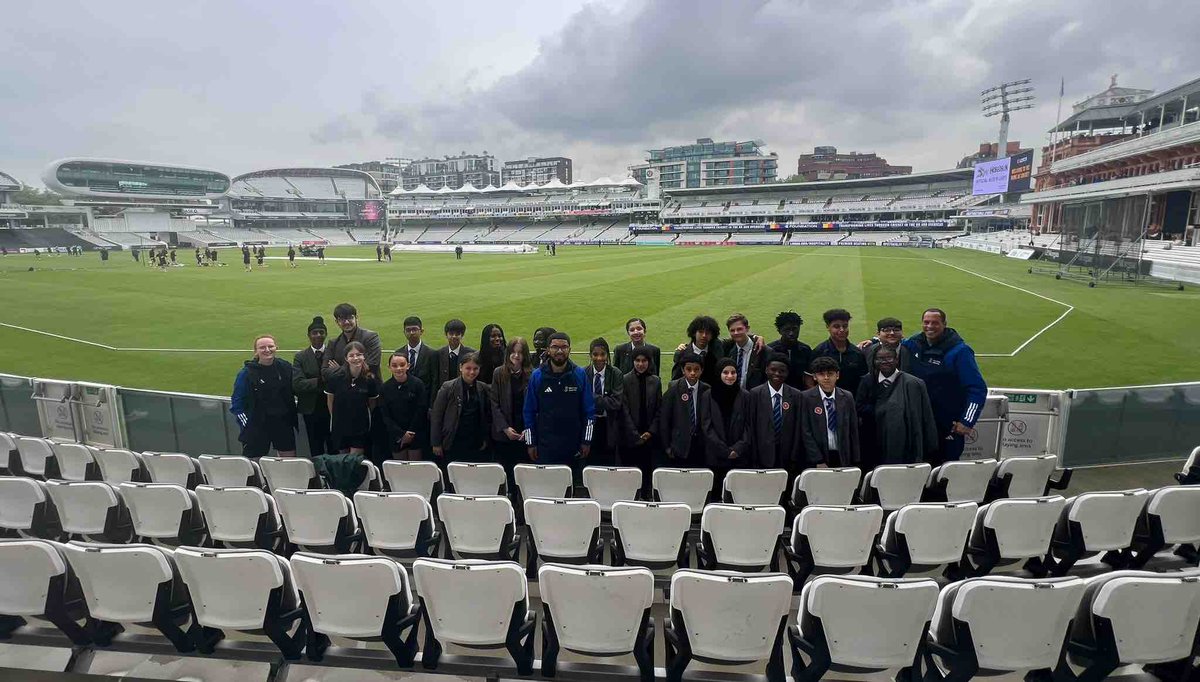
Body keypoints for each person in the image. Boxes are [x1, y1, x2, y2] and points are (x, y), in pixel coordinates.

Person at [901, 308, 987, 465]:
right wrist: (873, 341)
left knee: (944, 469)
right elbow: (896, 341)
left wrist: (967, 421)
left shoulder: (960, 351)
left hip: (947, 424)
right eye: (926, 322)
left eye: (935, 323)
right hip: (920, 423)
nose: (930, 326)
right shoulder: (915, 343)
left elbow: (977, 388)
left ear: (944, 324)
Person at [523, 332, 594, 476]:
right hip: (545, 445)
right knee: (547, 485)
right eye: (555, 347)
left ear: (570, 349)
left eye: (564, 347)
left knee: (571, 485)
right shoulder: (537, 376)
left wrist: (586, 441)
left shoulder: (579, 374)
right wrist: (531, 443)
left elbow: (589, 411)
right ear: (548, 350)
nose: (560, 351)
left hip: (573, 446)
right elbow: (529, 411)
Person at [855, 346, 938, 468]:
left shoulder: (913, 383)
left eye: (889, 358)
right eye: (880, 358)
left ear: (896, 359)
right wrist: (883, 411)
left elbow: (923, 417)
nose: (884, 362)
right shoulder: (867, 380)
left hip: (903, 441)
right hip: (874, 438)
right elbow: (859, 406)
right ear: (874, 361)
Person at [230, 335, 299, 458]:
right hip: (257, 425)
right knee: (253, 463)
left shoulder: (285, 367)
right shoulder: (246, 373)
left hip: (282, 422)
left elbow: (297, 387)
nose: (267, 350)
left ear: (276, 348)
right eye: (262, 347)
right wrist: (247, 424)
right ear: (256, 351)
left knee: (288, 459)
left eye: (270, 346)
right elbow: (237, 401)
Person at [744, 354, 806, 479]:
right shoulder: (755, 393)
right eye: (773, 370)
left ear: (787, 373)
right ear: (766, 370)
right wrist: (754, 454)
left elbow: (798, 427)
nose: (777, 373)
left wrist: (794, 455)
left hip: (786, 455)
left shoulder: (796, 395)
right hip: (762, 455)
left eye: (782, 371)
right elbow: (751, 425)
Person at [431, 352, 491, 464]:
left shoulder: (483, 388)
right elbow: (436, 416)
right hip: (453, 441)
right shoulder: (448, 387)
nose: (472, 372)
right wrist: (436, 443)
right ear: (460, 368)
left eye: (475, 369)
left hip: (475, 442)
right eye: (468, 368)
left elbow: (485, 416)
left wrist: (484, 438)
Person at [800, 356, 860, 467]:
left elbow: (853, 429)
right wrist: (817, 460)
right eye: (821, 374)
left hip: (842, 455)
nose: (826, 378)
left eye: (830, 374)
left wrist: (855, 458)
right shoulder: (806, 398)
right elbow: (805, 431)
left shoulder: (847, 397)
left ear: (837, 375)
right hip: (818, 456)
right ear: (814, 377)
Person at [704, 358, 751, 498]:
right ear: (719, 373)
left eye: (733, 372)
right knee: (716, 495)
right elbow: (706, 426)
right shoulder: (708, 395)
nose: (730, 376)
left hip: (739, 457)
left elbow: (749, 426)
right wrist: (724, 450)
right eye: (725, 372)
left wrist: (737, 448)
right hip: (715, 457)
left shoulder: (745, 396)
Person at [490, 337, 533, 489]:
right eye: (513, 352)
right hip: (504, 433)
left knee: (523, 474)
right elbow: (494, 403)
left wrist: (528, 430)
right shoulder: (499, 373)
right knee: (505, 473)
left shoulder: (532, 374)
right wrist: (505, 428)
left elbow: (536, 405)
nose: (516, 356)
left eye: (520, 352)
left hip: (524, 432)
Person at [326, 341, 380, 455]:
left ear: (364, 356)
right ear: (346, 358)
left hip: (360, 427)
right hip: (340, 426)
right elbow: (330, 400)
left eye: (359, 354)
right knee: (343, 459)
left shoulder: (369, 379)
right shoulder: (335, 377)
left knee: (355, 460)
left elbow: (372, 404)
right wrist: (335, 418)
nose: (355, 358)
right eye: (351, 355)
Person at [620, 346, 661, 495]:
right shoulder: (625, 379)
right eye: (637, 360)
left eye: (644, 361)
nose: (640, 364)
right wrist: (634, 434)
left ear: (649, 362)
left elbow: (659, 409)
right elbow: (624, 409)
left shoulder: (655, 381)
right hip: (630, 437)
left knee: (647, 472)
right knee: (631, 473)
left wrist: (650, 432)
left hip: (649, 437)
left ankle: (646, 496)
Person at [292, 316, 334, 456]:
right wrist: (321, 381)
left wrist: (312, 382)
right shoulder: (301, 357)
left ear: (326, 334)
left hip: (332, 408)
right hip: (311, 409)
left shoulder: (333, 353)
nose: (318, 335)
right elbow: (297, 384)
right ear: (309, 335)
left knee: (334, 445)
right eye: (314, 333)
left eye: (321, 332)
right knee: (315, 446)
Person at [660, 351, 710, 467]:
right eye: (689, 369)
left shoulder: (706, 390)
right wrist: (667, 447)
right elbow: (664, 419)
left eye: (696, 369)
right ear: (683, 370)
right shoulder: (674, 389)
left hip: (700, 445)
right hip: (679, 446)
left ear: (701, 370)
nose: (692, 373)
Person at [380, 352, 429, 460]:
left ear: (408, 366)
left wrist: (410, 433)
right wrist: (400, 434)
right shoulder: (385, 388)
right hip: (395, 436)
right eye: (394, 365)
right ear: (389, 367)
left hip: (415, 433)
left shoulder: (418, 384)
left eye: (402, 365)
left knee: (415, 466)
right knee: (400, 467)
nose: (399, 368)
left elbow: (421, 410)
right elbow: (385, 415)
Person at [585, 338, 625, 468]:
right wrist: (604, 399)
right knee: (590, 462)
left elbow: (616, 403)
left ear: (607, 355)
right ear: (590, 355)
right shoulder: (584, 373)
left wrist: (590, 397)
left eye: (603, 354)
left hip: (609, 424)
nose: (599, 358)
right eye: (595, 354)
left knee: (609, 462)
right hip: (589, 424)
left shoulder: (616, 373)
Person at [812, 308, 868, 397]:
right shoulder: (819, 352)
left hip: (852, 400)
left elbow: (863, 381)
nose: (842, 330)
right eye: (836, 326)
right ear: (828, 327)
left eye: (845, 326)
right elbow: (811, 381)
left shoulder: (857, 353)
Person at [324, 302, 383, 378]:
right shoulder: (333, 343)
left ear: (356, 318)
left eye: (350, 318)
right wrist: (357, 367)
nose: (346, 322)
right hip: (344, 386)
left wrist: (339, 369)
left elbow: (372, 366)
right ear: (337, 322)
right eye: (342, 319)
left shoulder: (371, 337)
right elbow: (325, 371)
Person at [397, 316, 439, 405]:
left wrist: (432, 405)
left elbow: (434, 382)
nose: (411, 333)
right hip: (403, 401)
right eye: (408, 330)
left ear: (421, 331)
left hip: (424, 401)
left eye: (414, 329)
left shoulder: (431, 354)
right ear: (404, 332)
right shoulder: (398, 353)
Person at [671, 315, 722, 386]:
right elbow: (675, 381)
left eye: (707, 333)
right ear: (694, 333)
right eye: (701, 332)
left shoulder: (717, 350)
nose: (704, 335)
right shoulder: (682, 353)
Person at [767, 310, 813, 390]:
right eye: (787, 330)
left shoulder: (805, 350)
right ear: (779, 331)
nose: (791, 333)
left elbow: (809, 375)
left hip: (800, 392)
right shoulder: (770, 350)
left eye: (794, 329)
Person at [721, 313, 768, 389]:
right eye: (732, 330)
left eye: (739, 329)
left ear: (747, 329)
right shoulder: (727, 348)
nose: (736, 333)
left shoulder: (763, 350)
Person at [436, 319, 475, 389]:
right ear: (446, 335)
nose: (454, 336)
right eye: (451, 334)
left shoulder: (470, 354)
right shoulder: (438, 354)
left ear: (462, 335)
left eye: (457, 334)